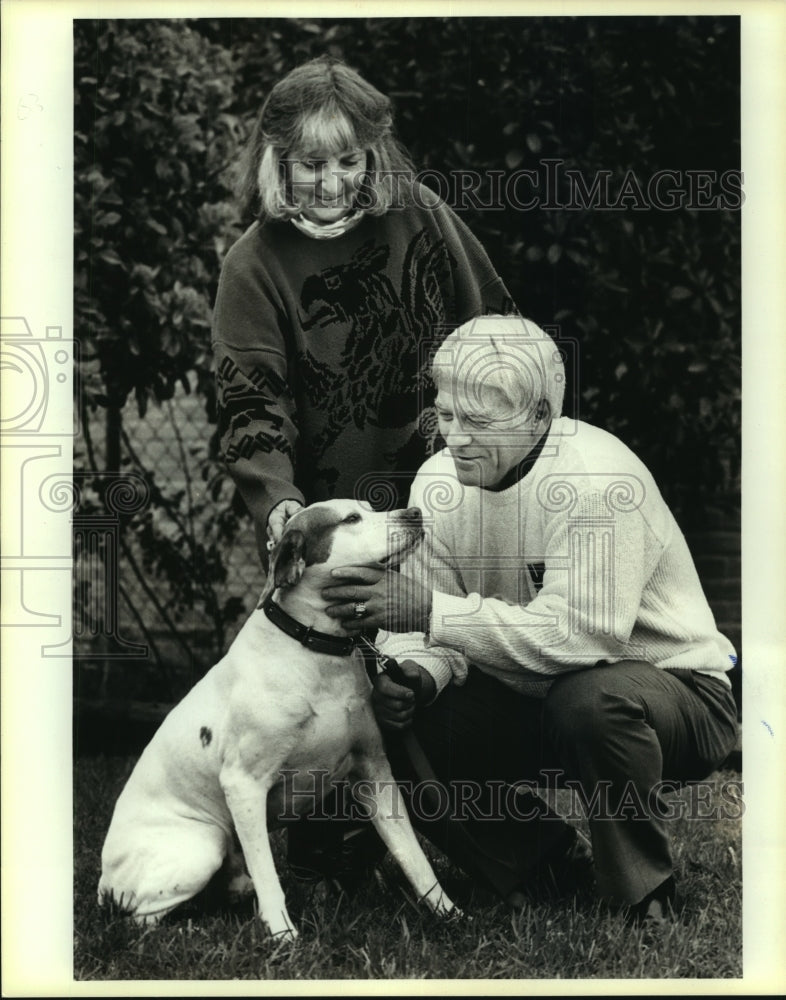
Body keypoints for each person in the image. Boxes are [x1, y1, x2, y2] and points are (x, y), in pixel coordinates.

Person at [321, 315, 739, 924]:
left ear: (540, 416)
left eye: (480, 422)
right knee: (392, 718)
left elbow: (582, 639)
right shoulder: (437, 481)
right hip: (532, 693)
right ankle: (540, 862)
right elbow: (432, 631)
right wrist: (415, 673)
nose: (456, 439)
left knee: (590, 700)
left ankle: (643, 893)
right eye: (446, 416)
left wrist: (430, 611)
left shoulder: (598, 481)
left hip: (674, 694)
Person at [211, 56, 517, 884]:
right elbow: (251, 410)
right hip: (337, 515)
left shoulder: (420, 217)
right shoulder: (254, 263)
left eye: (350, 161)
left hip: (446, 484)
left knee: (448, 657)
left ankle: (503, 848)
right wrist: (281, 507)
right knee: (352, 674)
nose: (333, 181)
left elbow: (496, 327)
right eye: (312, 163)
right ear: (276, 158)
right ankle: (339, 840)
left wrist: (501, 443)